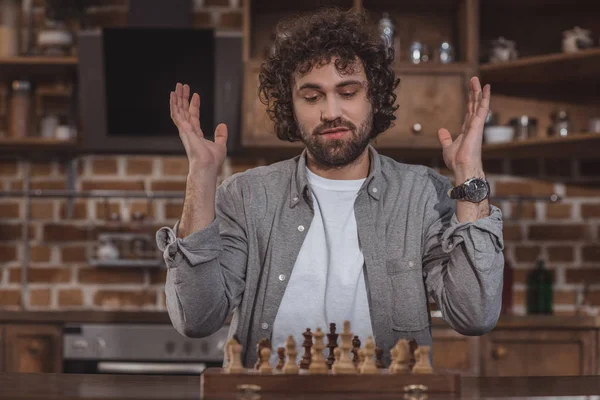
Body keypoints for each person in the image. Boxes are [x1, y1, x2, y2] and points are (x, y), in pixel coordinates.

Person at [156, 8, 504, 367]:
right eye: (312, 97)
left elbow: (474, 315)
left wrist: (468, 171)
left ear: (374, 97)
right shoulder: (246, 195)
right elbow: (197, 319)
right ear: (291, 106)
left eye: (348, 92)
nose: (330, 111)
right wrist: (201, 174)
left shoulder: (421, 195)